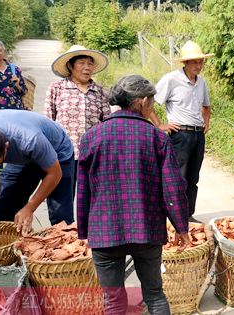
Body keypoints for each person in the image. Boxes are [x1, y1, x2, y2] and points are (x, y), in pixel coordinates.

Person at [77, 75, 191, 315]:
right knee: (154, 295)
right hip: (146, 230)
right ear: (141, 101)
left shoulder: (92, 137)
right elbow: (172, 188)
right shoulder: (156, 137)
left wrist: (85, 232)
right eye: (151, 101)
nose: (153, 106)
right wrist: (181, 227)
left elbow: (84, 191)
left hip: (105, 231)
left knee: (113, 301)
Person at [152, 40, 213, 223]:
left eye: (201, 61)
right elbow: (149, 103)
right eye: (194, 62)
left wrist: (206, 123)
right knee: (179, 178)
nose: (198, 65)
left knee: (193, 178)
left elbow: (207, 106)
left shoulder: (201, 82)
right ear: (185, 63)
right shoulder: (171, 79)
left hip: (197, 134)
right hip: (180, 135)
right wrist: (159, 125)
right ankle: (174, 218)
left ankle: (188, 215)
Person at [0, 110, 74, 234]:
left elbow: (55, 173)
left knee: (60, 214)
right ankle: (6, 246)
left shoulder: (30, 140)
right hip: (24, 154)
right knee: (6, 208)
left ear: (7, 147)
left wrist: (30, 207)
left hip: (58, 152)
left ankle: (66, 244)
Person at [45, 45, 111, 183]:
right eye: (81, 63)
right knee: (62, 196)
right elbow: (48, 121)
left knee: (91, 197)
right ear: (70, 66)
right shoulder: (57, 88)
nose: (87, 68)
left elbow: (107, 123)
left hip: (92, 153)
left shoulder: (99, 91)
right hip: (63, 153)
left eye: (90, 64)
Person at [0, 39, 27, 111]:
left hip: (16, 110)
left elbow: (24, 92)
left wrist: (18, 86)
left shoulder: (14, 69)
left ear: (4, 52)